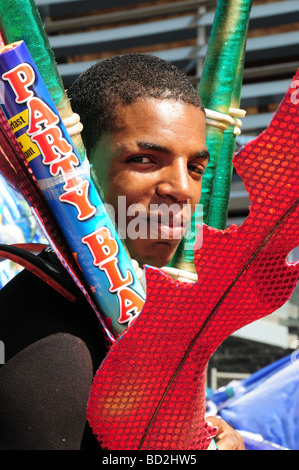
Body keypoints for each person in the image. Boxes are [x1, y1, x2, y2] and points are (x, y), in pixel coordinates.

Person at [0, 53, 244, 450]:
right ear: (80, 165)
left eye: (196, 168)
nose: (182, 189)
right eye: (145, 159)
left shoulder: (143, 311)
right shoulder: (54, 343)